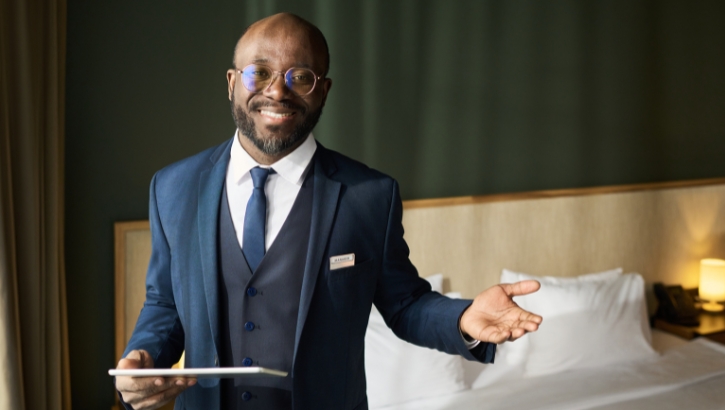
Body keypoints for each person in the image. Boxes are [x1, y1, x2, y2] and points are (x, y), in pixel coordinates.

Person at [114, 12, 542, 410]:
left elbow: (405, 304)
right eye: (258, 72)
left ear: (323, 90)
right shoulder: (173, 188)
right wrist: (143, 357)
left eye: (299, 76)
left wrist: (464, 318)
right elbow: (165, 302)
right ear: (232, 83)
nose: (276, 91)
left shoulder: (369, 195)